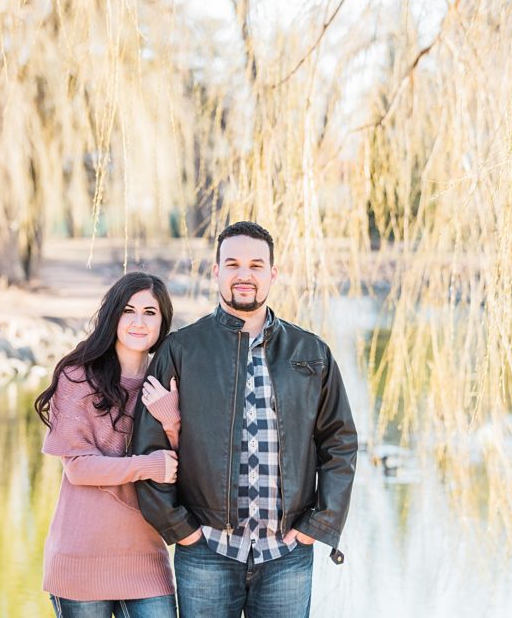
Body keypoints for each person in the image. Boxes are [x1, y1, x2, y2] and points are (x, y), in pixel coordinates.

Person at [131, 221, 358, 618]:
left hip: (286, 554)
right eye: (232, 264)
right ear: (216, 271)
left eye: (256, 265)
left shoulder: (311, 352)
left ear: (273, 274)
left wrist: (317, 525)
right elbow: (149, 445)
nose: (244, 275)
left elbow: (339, 443)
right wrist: (180, 530)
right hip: (206, 551)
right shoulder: (181, 350)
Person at [35, 272, 183, 618]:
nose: (138, 322)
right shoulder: (77, 377)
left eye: (150, 313)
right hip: (80, 561)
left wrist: (171, 421)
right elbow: (79, 468)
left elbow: (187, 470)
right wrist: (146, 466)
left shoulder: (171, 383)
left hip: (146, 559)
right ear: (112, 316)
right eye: (128, 310)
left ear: (163, 323)